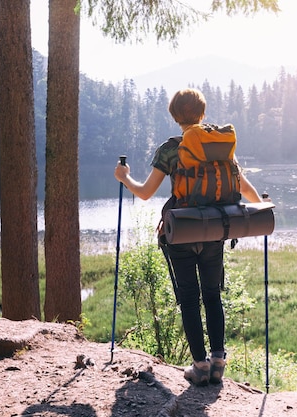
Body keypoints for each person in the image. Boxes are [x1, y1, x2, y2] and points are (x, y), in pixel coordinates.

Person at [114, 88, 264, 386]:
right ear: (202, 114)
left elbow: (144, 193)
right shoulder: (220, 148)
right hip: (215, 232)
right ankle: (219, 362)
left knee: (189, 298)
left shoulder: (171, 149)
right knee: (212, 295)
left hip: (181, 232)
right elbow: (250, 193)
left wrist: (123, 177)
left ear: (174, 116)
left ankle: (199, 366)